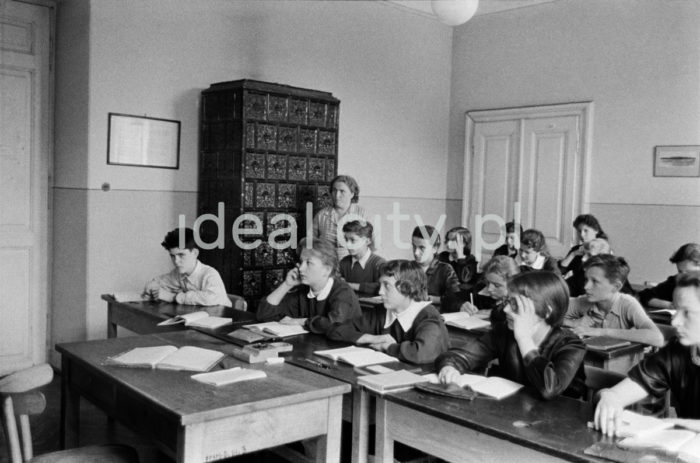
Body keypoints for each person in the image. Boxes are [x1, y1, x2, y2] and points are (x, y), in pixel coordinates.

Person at [435, 271, 587, 400]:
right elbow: (458, 356)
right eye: (508, 301)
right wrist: (449, 367)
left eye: (515, 304)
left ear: (546, 312)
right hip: (512, 414)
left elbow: (549, 388)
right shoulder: (504, 333)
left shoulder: (571, 345)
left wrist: (524, 339)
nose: (506, 309)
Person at [594, 271, 700, 437]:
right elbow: (631, 387)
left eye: (686, 313)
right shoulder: (677, 351)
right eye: (676, 310)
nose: (674, 321)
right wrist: (610, 397)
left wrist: (676, 423)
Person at [331, 260, 450, 364]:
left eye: (387, 286)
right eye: (380, 285)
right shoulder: (383, 311)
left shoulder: (428, 316)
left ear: (408, 288)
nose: (380, 292)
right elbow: (336, 331)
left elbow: (420, 353)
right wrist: (372, 338)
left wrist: (388, 347)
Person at [256, 238, 361, 338]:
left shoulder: (343, 293)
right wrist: (287, 285)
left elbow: (333, 325)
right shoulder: (304, 291)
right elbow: (264, 315)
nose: (301, 268)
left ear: (327, 269)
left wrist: (301, 321)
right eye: (301, 262)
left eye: (309, 263)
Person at [564, 254, 664, 347]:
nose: (586, 287)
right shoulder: (584, 301)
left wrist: (599, 332)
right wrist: (571, 323)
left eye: (595, 281)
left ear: (616, 287)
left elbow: (657, 338)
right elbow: (548, 311)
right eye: (586, 279)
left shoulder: (628, 303)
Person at [142, 228, 231, 307]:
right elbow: (159, 281)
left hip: (223, 319)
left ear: (195, 253)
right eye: (173, 256)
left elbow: (211, 298)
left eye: (181, 255)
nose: (176, 261)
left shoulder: (210, 274)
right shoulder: (178, 273)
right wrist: (152, 287)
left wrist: (173, 297)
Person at [312, 174, 368, 261]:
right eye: (334, 191)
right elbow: (311, 242)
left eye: (342, 191)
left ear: (352, 194)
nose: (337, 195)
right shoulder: (321, 215)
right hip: (326, 263)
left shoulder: (361, 214)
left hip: (352, 264)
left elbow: (372, 244)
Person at [459, 256, 520, 331]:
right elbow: (451, 296)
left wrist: (496, 313)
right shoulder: (480, 289)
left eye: (497, 285)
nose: (489, 289)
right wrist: (461, 304)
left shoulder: (521, 301)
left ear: (512, 284)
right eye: (488, 282)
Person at [411, 225, 461, 312]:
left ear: (435, 248)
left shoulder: (445, 270)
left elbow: (455, 299)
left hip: (436, 319)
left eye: (422, 248)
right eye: (414, 246)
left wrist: (429, 298)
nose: (416, 252)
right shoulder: (407, 268)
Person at [639, 243, 700, 310]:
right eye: (680, 272)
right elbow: (644, 295)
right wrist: (670, 305)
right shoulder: (674, 282)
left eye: (689, 273)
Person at [559, 214, 607, 290]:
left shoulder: (604, 250)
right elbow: (559, 272)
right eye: (579, 231)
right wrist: (572, 254)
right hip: (576, 288)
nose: (582, 235)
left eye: (586, 231)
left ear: (596, 230)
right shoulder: (576, 249)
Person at [338, 220, 386, 297]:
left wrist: (348, 285)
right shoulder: (344, 262)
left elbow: (381, 287)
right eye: (346, 240)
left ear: (367, 241)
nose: (348, 244)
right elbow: (335, 283)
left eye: (353, 240)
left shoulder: (379, 263)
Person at [438, 226, 478, 291]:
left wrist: (460, 256)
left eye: (453, 240)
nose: (448, 243)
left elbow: (464, 280)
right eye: (448, 239)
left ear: (464, 243)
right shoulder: (442, 256)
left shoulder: (470, 260)